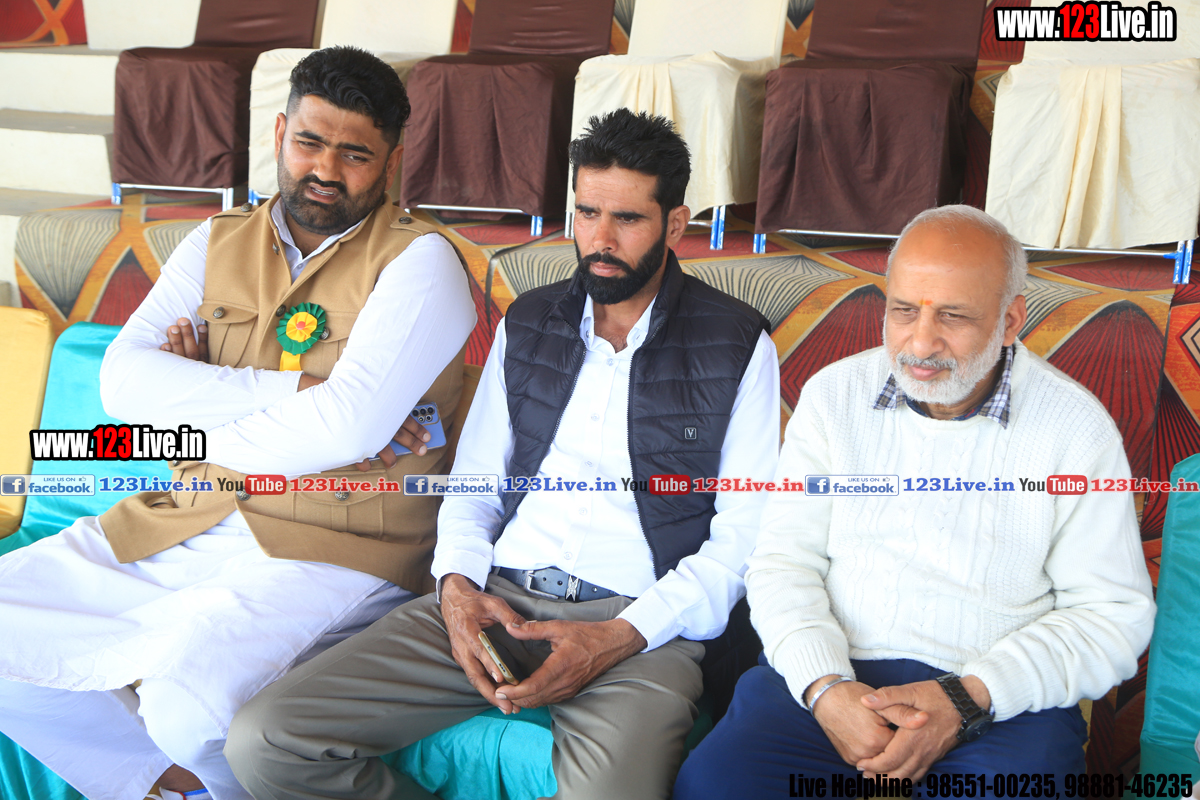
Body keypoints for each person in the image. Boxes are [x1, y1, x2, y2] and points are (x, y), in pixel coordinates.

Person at [224, 108, 781, 800]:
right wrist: (457, 587)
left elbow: (740, 542)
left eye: (628, 219)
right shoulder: (530, 322)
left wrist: (623, 634)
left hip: (641, 627)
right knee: (265, 740)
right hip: (498, 599)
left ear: (674, 224)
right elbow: (475, 485)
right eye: (587, 213)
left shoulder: (736, 344)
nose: (600, 240)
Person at [0, 46, 476, 800]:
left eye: (355, 154)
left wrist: (191, 408)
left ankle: (189, 775)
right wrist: (299, 392)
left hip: (338, 541)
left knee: (185, 707)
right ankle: (166, 786)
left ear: (392, 160)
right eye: (310, 142)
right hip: (187, 513)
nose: (325, 169)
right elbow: (122, 386)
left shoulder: (421, 263)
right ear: (280, 133)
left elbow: (344, 431)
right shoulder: (216, 241)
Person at [674, 205, 1156, 796]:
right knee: (716, 785)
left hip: (997, 704)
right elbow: (782, 563)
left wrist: (968, 698)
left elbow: (1111, 616)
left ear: (1010, 321)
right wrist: (826, 689)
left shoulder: (1076, 430)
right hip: (830, 677)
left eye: (953, 315)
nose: (921, 342)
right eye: (904, 310)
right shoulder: (833, 397)